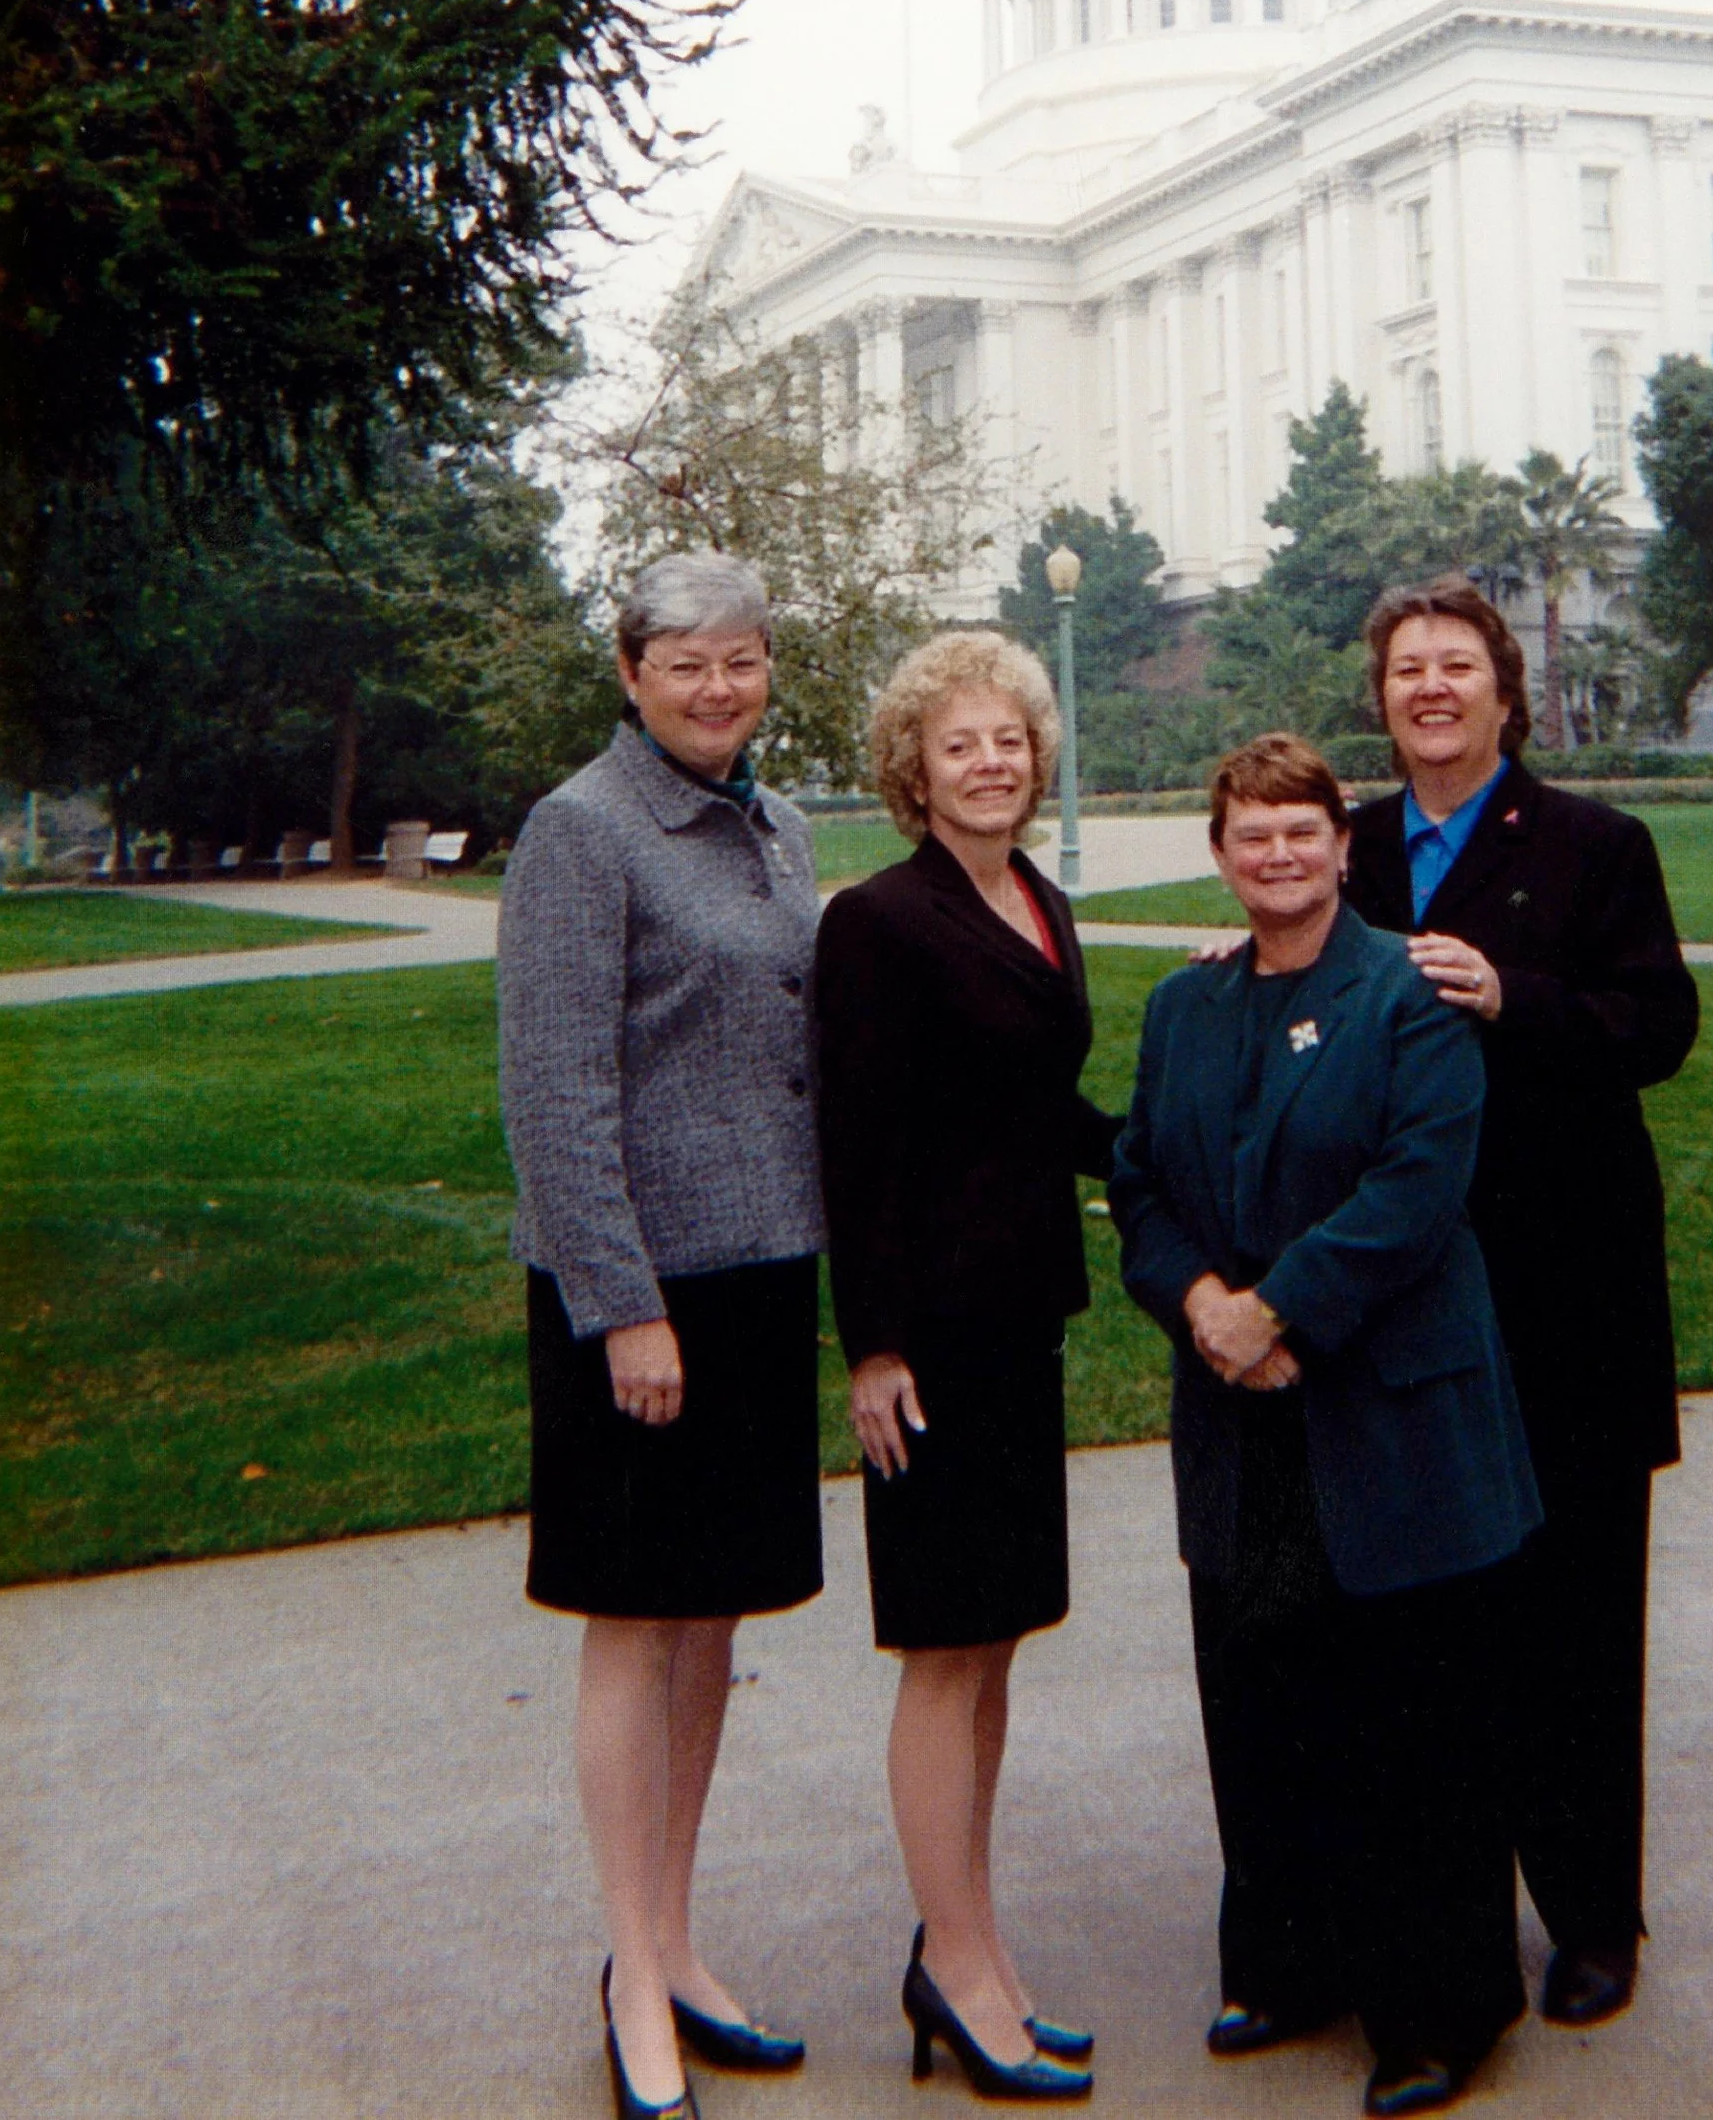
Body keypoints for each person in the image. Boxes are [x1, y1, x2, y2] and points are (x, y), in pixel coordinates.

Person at [1111, 732, 1543, 2120]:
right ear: (1221, 853)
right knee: (1268, 1700)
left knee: (1416, 1723)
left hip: (1389, 1418)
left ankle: (1441, 2011)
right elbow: (1141, 1181)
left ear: (1343, 846)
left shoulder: (1408, 993)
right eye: (1253, 835)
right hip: (1243, 1425)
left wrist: (1278, 1310)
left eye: (1304, 831)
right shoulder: (1189, 1005)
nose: (1280, 855)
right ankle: (1292, 1967)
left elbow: (1421, 1185)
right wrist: (1199, 1304)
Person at [1344, 578, 1699, 2031]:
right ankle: (1439, 1914)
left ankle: (1594, 1915)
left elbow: (1659, 1028)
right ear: (1381, 698)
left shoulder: (1596, 846)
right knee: (1432, 1624)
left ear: (1505, 692)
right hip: (1405, 1304)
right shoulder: (1353, 847)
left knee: (1577, 1617)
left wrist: (1517, 999)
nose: (1431, 689)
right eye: (1407, 670)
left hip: (1566, 1293)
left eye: (1457, 667)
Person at [498, 552, 826, 2120]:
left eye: (743, 661)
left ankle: (677, 1945)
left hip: (762, 1282)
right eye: (686, 664)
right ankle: (631, 1978)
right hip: (638, 1299)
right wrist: (622, 1305)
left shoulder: (779, 824)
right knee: (635, 1626)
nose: (718, 689)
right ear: (629, 673)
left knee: (713, 1625)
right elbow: (555, 1096)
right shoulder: (582, 831)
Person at [815, 630, 1120, 2105]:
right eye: (960, 744)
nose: (990, 761)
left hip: (1021, 1321)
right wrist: (869, 1344)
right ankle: (952, 1960)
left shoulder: (1037, 901)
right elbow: (854, 1146)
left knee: (993, 1645)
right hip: (928, 1342)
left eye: (1009, 738)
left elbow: (1039, 1104)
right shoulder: (878, 922)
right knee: (944, 1656)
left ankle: (977, 1953)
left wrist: (1164, 1142)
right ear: (914, 771)